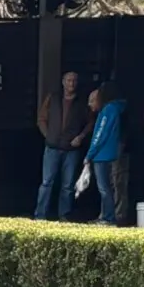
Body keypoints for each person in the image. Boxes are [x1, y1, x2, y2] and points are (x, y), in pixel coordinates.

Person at [35, 72, 90, 220]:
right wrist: (48, 135)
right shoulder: (53, 98)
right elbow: (41, 118)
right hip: (52, 147)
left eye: (74, 81)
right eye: (68, 80)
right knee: (47, 182)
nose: (71, 84)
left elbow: (90, 122)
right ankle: (40, 215)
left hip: (71, 149)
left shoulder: (81, 102)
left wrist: (81, 137)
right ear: (63, 82)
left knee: (68, 185)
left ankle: (64, 216)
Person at [86, 86, 128, 225]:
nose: (89, 104)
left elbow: (100, 135)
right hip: (108, 153)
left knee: (104, 188)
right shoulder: (114, 109)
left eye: (92, 100)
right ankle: (106, 216)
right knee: (108, 188)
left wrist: (89, 155)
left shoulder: (108, 110)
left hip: (103, 154)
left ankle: (108, 218)